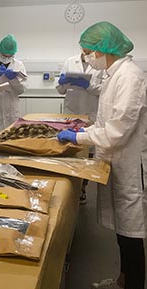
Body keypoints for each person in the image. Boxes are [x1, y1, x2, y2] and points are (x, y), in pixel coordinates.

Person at [57, 21, 147, 289]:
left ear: (106, 49)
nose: (87, 58)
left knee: (132, 236)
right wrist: (87, 127)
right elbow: (107, 120)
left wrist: (79, 137)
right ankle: (122, 280)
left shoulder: (130, 77)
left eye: (89, 52)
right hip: (120, 162)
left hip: (134, 167)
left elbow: (118, 130)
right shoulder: (113, 75)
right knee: (123, 230)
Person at [56, 51, 105, 204]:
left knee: (87, 152)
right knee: (70, 150)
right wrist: (62, 82)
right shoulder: (70, 61)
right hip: (71, 112)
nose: (87, 52)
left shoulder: (101, 64)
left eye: (90, 50)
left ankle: (83, 187)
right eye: (85, 49)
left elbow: (104, 89)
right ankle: (68, 187)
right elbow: (60, 90)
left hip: (90, 113)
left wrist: (88, 86)